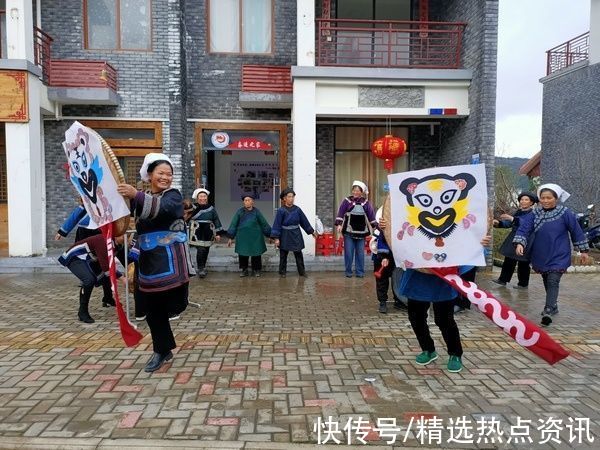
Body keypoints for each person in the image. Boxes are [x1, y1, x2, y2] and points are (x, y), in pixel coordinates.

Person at [117, 153, 190, 373]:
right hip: (148, 262)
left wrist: (136, 195)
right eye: (161, 173)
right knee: (152, 310)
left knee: (176, 305)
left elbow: (163, 208)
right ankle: (162, 350)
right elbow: (123, 218)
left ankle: (163, 345)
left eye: (169, 174)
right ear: (150, 175)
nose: (166, 177)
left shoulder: (173, 196)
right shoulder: (141, 199)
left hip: (171, 260)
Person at [397, 235, 492, 373]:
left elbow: (466, 236)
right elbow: (397, 235)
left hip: (444, 278)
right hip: (418, 277)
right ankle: (428, 349)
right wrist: (387, 226)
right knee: (416, 318)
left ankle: (455, 354)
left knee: (444, 320)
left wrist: (478, 243)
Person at [514, 183, 589, 326]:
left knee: (553, 280)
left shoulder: (565, 213)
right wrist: (520, 243)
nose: (545, 201)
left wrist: (583, 251)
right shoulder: (534, 213)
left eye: (549, 198)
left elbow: (576, 231)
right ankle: (553, 305)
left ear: (556, 198)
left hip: (559, 253)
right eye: (543, 198)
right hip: (540, 253)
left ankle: (548, 309)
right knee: (546, 278)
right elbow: (524, 229)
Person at [55, 199, 116, 308]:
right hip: (85, 233)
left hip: (101, 231)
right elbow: (75, 215)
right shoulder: (87, 201)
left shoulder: (107, 200)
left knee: (105, 265)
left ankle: (108, 297)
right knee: (89, 266)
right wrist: (62, 231)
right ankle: (85, 301)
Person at [58, 234, 123, 323]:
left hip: (89, 259)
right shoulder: (104, 241)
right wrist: (122, 278)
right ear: (116, 236)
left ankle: (108, 298)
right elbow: (106, 267)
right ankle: (82, 312)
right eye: (124, 236)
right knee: (89, 280)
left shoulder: (119, 244)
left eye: (128, 236)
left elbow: (125, 259)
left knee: (105, 276)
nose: (127, 239)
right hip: (75, 257)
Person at [491, 192, 538, 289]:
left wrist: (512, 218)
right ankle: (503, 279)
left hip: (527, 239)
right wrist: (498, 223)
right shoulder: (518, 212)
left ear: (531, 202)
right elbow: (510, 223)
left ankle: (523, 284)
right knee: (509, 259)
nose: (523, 201)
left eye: (526, 200)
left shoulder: (533, 214)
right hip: (513, 237)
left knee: (523, 262)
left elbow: (525, 223)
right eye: (521, 199)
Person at [335, 180, 378, 278]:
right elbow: (341, 213)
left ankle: (360, 272)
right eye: (354, 190)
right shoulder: (347, 201)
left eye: (358, 190)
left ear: (361, 192)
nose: (355, 192)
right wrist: (339, 224)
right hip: (349, 231)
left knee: (360, 254)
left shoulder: (366, 203)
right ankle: (348, 272)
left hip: (361, 232)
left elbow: (371, 216)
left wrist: (376, 228)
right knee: (349, 253)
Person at [271, 188, 317, 278]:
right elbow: (277, 224)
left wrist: (311, 231)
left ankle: (302, 272)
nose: (291, 198)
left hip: (296, 233)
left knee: (298, 253)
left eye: (292, 197)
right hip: (285, 234)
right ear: (284, 198)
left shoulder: (297, 210)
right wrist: (276, 238)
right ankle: (282, 272)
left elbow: (304, 221)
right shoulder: (281, 210)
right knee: (283, 254)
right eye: (289, 197)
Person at [227, 194, 272, 277]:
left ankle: (256, 270)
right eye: (245, 200)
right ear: (243, 202)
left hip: (256, 237)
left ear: (252, 202)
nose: (247, 202)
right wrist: (230, 237)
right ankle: (244, 270)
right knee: (243, 254)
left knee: (256, 254)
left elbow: (264, 224)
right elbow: (234, 224)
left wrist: (270, 235)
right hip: (243, 237)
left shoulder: (256, 212)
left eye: (249, 200)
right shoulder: (240, 212)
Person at [186, 187, 224, 278]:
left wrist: (218, 234)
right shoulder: (192, 208)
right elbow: (186, 217)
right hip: (196, 231)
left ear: (206, 198)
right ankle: (200, 268)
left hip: (208, 232)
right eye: (201, 196)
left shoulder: (211, 208)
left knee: (206, 249)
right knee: (201, 249)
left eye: (204, 196)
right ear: (197, 198)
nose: (203, 198)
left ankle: (203, 266)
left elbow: (216, 220)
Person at [372, 213, 406, 314]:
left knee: (398, 278)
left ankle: (399, 300)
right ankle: (382, 302)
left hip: (397, 254)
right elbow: (381, 238)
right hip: (382, 253)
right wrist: (384, 256)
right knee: (382, 279)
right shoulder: (382, 221)